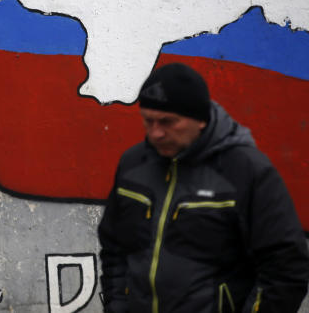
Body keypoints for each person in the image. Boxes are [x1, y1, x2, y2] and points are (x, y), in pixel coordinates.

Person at [98, 62, 309, 313]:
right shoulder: (133, 165)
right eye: (148, 121)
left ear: (200, 119)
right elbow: (114, 247)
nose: (155, 133)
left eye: (167, 122)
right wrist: (117, 305)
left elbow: (285, 269)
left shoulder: (246, 171)